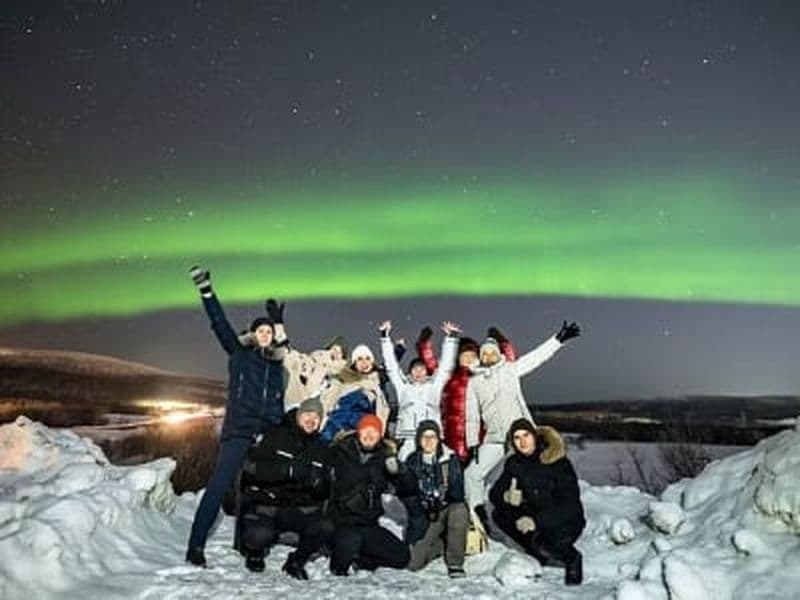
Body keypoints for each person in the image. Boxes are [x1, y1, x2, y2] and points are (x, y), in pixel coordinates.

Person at [185, 266, 289, 568]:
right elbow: (219, 323)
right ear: (253, 334)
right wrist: (207, 292)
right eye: (261, 330)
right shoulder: (239, 353)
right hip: (240, 431)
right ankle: (196, 545)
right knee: (218, 487)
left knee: (263, 491)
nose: (265, 335)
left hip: (266, 433)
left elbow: (278, 399)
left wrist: (279, 427)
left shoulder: (276, 365)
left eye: (269, 331)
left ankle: (253, 545)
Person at [464, 321, 580, 530]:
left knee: (532, 478)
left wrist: (558, 340)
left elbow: (535, 358)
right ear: (480, 357)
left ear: (498, 354)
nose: (489, 357)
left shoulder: (510, 370)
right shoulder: (474, 382)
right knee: (472, 474)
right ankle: (478, 515)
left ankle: (546, 520)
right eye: (485, 354)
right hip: (495, 438)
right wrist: (472, 442)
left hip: (520, 436)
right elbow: (471, 415)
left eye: (492, 353)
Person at [236, 397, 331, 578]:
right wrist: (286, 470)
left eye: (316, 418)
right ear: (298, 415)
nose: (311, 420)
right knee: (258, 535)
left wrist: (318, 484)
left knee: (325, 527)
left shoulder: (322, 448)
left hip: (299, 508)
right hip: (270, 503)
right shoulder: (276, 434)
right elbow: (252, 468)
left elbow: (326, 488)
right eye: (307, 415)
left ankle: (296, 560)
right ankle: (255, 552)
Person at [489, 418, 585, 585]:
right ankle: (535, 551)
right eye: (517, 438)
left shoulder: (557, 462)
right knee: (499, 514)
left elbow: (570, 506)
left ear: (535, 436)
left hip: (565, 521)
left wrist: (536, 522)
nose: (522, 441)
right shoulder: (514, 463)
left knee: (545, 543)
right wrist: (506, 497)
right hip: (535, 514)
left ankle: (572, 558)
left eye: (526, 435)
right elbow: (494, 494)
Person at [326, 414, 416, 575]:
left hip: (368, 524)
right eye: (365, 431)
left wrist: (400, 471)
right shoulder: (339, 452)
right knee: (349, 542)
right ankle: (340, 561)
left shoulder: (384, 457)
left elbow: (408, 488)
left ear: (380, 436)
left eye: (374, 432)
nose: (369, 436)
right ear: (358, 432)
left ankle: (362, 560)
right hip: (341, 522)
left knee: (402, 556)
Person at [417, 326, 516, 465]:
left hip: (478, 438)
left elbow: (508, 362)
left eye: (473, 355)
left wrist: (502, 341)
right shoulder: (449, 377)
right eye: (465, 355)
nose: (469, 358)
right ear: (458, 358)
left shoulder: (485, 376)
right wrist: (424, 342)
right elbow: (429, 362)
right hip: (451, 437)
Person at [379, 319, 460, 460]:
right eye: (415, 369)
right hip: (408, 437)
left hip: (431, 436)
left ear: (426, 372)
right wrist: (385, 338)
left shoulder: (434, 386)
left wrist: (451, 339)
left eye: (422, 369)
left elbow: (446, 366)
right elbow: (391, 366)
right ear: (410, 373)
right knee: (406, 471)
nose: (418, 372)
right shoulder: (403, 387)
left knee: (442, 465)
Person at [404, 420, 469, 578]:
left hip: (446, 509)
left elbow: (458, 493)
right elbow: (407, 494)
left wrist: (441, 498)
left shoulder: (449, 459)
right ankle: (442, 544)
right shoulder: (412, 462)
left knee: (459, 511)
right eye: (424, 437)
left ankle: (455, 562)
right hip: (424, 515)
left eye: (432, 436)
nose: (428, 441)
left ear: (439, 439)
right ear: (418, 440)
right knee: (413, 563)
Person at [319, 344, 390, 441]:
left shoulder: (377, 386)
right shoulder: (343, 382)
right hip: (339, 431)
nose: (364, 362)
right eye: (359, 359)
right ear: (354, 363)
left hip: (365, 435)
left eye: (368, 358)